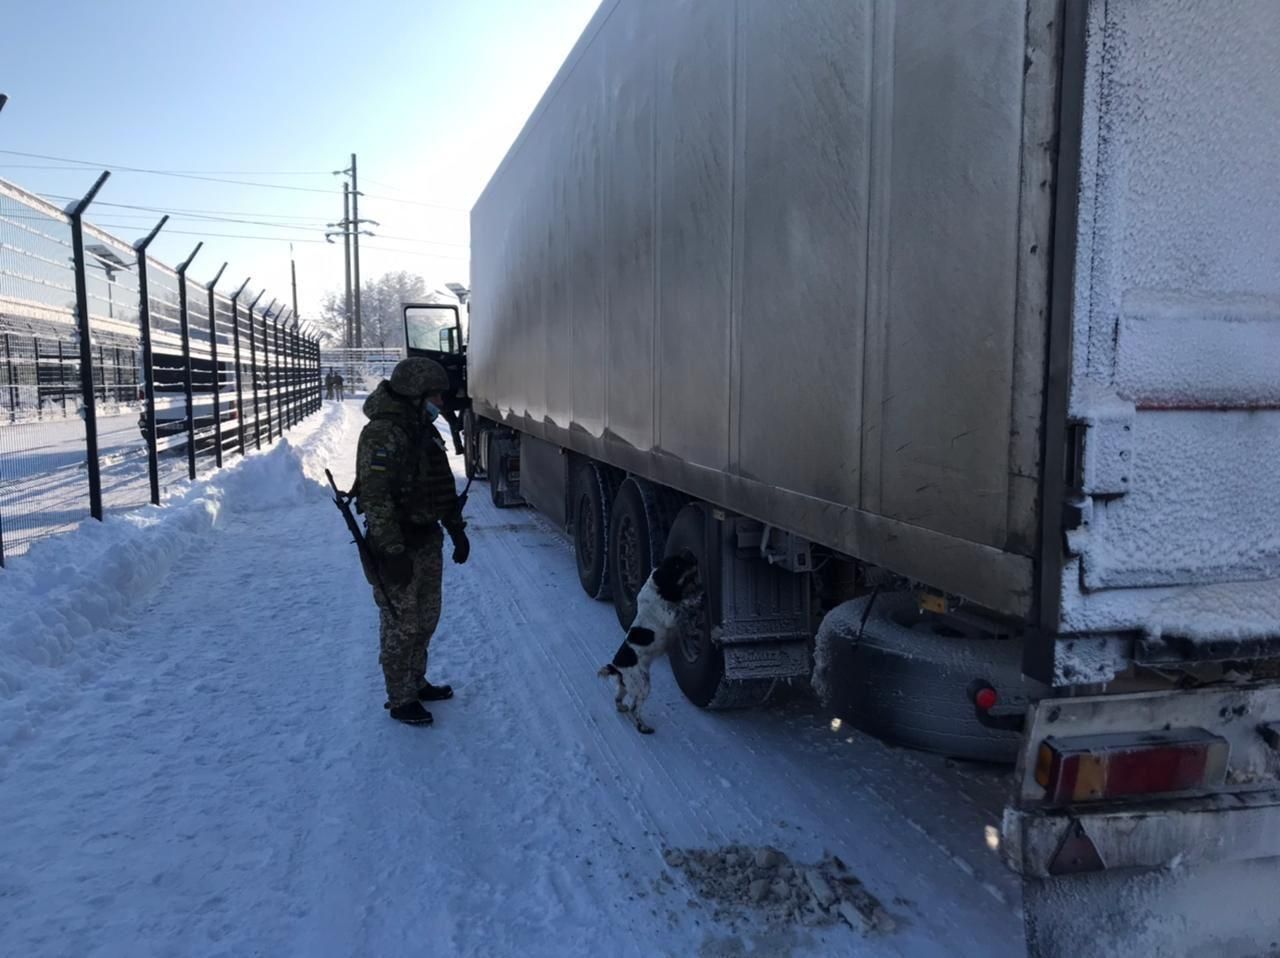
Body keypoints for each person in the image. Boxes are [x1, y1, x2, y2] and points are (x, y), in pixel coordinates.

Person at [354, 357, 470, 725]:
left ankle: (416, 681)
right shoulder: (382, 433)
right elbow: (375, 498)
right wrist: (391, 551)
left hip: (427, 539)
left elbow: (441, 484)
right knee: (401, 624)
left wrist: (456, 530)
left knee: (425, 619)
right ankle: (400, 698)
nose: (441, 402)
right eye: (434, 395)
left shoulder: (423, 428)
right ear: (414, 394)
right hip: (398, 545)